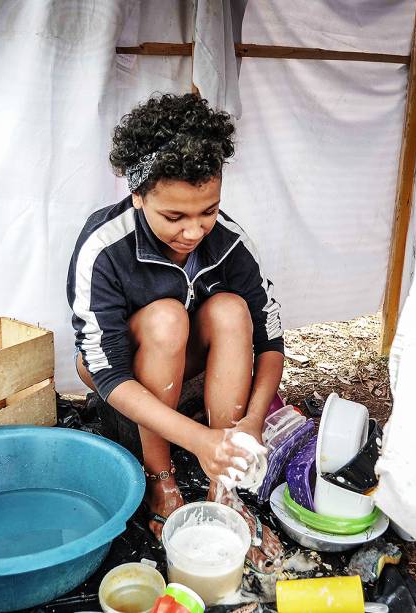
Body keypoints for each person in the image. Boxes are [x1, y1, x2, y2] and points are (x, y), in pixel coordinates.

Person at [66, 93, 284, 570]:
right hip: (124, 374)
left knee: (229, 308)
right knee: (166, 317)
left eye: (207, 210)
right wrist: (196, 440)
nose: (194, 231)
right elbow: (105, 371)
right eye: (174, 216)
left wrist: (250, 423)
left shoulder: (229, 242)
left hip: (190, 370)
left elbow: (269, 341)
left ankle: (222, 486)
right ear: (138, 194)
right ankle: (160, 479)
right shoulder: (104, 246)